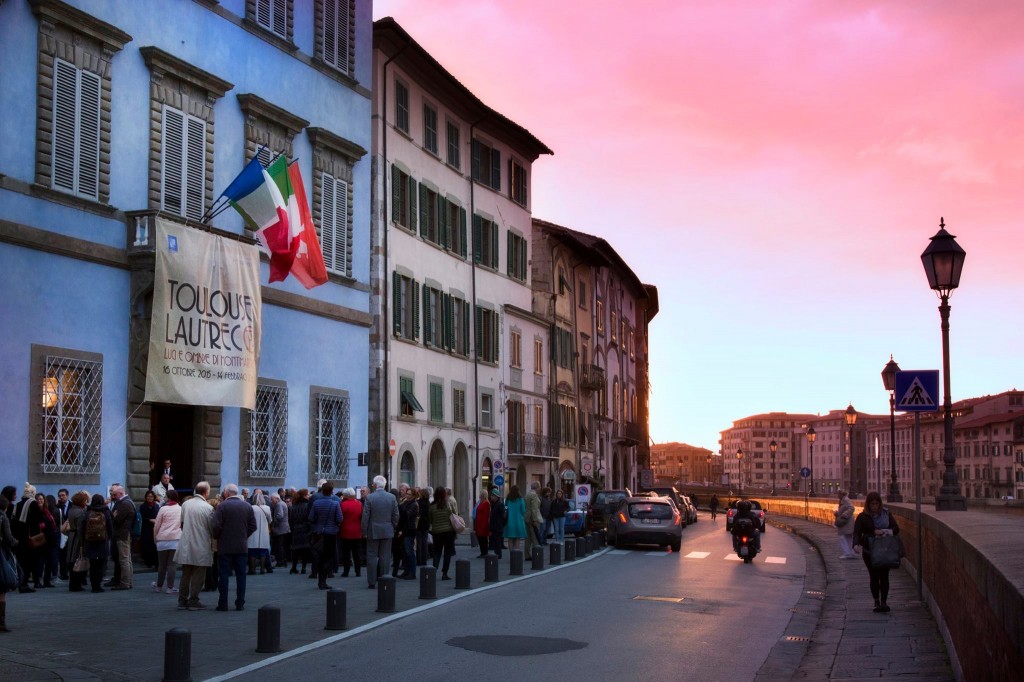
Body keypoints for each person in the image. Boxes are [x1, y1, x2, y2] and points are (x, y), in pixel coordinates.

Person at [853, 491, 901, 613]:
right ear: (868, 505)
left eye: (876, 504)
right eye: (872, 504)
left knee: (884, 576)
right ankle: (876, 601)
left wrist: (885, 531)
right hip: (870, 551)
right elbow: (857, 531)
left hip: (885, 549)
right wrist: (855, 544)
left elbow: (895, 529)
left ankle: (884, 602)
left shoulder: (886, 514)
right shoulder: (863, 517)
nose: (874, 506)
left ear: (880, 504)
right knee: (874, 576)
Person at [211, 483, 256, 611]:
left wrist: (218, 536)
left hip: (225, 546)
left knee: (224, 575)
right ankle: (240, 602)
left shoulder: (222, 506)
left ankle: (223, 603)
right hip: (241, 546)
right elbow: (253, 526)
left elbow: (215, 525)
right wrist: (244, 535)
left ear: (227, 493)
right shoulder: (247, 506)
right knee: (241, 575)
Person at [175, 481, 214, 611]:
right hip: (201, 543)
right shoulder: (208, 508)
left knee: (186, 573)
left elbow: (182, 522)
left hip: (186, 542)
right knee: (198, 574)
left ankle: (182, 599)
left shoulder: (185, 504)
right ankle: (193, 600)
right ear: (206, 492)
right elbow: (211, 528)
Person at [361, 475, 399, 589]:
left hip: (373, 530)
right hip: (387, 529)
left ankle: (372, 581)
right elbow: (396, 515)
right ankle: (385, 579)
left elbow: (365, 516)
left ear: (375, 485)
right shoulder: (392, 497)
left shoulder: (370, 498)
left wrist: (364, 530)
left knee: (372, 556)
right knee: (385, 556)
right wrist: (393, 526)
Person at [308, 482, 342, 590]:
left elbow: (311, 518)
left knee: (319, 554)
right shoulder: (335, 504)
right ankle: (323, 579)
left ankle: (319, 578)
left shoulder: (316, 503)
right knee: (328, 557)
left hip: (319, 532)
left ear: (322, 490)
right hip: (331, 533)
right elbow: (340, 518)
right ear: (332, 491)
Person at [81, 493, 113, 593]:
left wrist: (84, 539)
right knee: (101, 565)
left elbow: (82, 527)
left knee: (93, 564)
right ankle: (98, 585)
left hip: (90, 542)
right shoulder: (105, 511)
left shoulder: (88, 511)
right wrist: (109, 537)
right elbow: (110, 526)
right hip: (102, 542)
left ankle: (93, 584)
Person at [12, 483, 41, 592]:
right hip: (30, 538)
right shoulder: (33, 504)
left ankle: (22, 583)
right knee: (30, 562)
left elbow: (13, 521)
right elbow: (37, 521)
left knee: (22, 561)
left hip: (19, 538)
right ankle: (24, 584)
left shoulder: (17, 504)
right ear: (33, 493)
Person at [152, 490, 181, 594]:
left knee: (162, 565)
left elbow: (157, 525)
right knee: (172, 565)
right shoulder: (180, 509)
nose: (164, 498)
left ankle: (159, 586)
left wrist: (155, 537)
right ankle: (170, 587)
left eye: (165, 497)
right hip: (175, 539)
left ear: (169, 498)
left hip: (162, 539)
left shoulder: (163, 509)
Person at [109, 484, 136, 590]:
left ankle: (125, 582)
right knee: (127, 559)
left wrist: (113, 516)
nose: (113, 496)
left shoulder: (124, 504)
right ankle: (128, 581)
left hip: (122, 534)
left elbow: (116, 519)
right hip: (125, 533)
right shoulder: (127, 502)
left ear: (120, 493)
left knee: (124, 560)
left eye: (114, 494)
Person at [427, 487, 456, 579]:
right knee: (447, 552)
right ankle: (445, 573)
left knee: (437, 552)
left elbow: (430, 520)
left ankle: (434, 570)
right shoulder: (448, 505)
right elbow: (454, 515)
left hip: (436, 532)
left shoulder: (431, 506)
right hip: (448, 532)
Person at [64, 491, 89, 592]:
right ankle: (76, 585)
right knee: (77, 561)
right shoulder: (81, 512)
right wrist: (83, 543)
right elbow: (80, 528)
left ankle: (73, 584)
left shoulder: (71, 510)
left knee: (71, 560)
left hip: (71, 536)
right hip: (77, 538)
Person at [0, 496, 18, 632]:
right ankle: (1, 622)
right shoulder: (3, 519)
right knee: (1, 590)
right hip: (1, 555)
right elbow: (8, 538)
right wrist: (16, 543)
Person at [338, 488, 363, 577]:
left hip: (346, 531)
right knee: (356, 553)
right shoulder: (359, 504)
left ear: (346, 496)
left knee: (346, 553)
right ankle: (358, 571)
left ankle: (346, 571)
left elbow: (340, 518)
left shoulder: (343, 505)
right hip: (357, 531)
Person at [37, 493, 60, 587]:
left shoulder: (47, 511)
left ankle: (47, 580)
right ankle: (38, 580)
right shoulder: (35, 511)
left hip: (49, 539)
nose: (40, 501)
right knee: (40, 561)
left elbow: (51, 524)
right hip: (41, 539)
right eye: (38, 499)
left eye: (42, 499)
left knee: (49, 561)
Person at [247, 492, 273, 575]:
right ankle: (262, 568)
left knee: (252, 551)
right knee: (263, 551)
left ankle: (252, 569)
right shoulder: (267, 508)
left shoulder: (251, 508)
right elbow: (270, 520)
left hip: (253, 531)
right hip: (264, 531)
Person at [288, 488, 312, 574]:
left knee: (296, 549)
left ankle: (294, 567)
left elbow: (290, 520)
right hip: (305, 529)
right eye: (307, 494)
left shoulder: (293, 506)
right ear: (304, 496)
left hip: (296, 529)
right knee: (305, 549)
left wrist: (292, 528)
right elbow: (310, 518)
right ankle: (303, 568)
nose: (308, 496)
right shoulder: (307, 506)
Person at [397, 486, 419, 579]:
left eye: (409, 494)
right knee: (405, 552)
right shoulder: (405, 502)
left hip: (410, 529)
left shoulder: (414, 504)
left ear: (413, 496)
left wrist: (401, 508)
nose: (407, 495)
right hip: (404, 529)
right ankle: (406, 571)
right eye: (407, 493)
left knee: (409, 551)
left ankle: (412, 573)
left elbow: (407, 514)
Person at [140, 490, 160, 569]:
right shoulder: (143, 506)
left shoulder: (156, 506)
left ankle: (155, 562)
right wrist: (149, 520)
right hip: (146, 527)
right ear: (146, 497)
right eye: (148, 496)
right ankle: (148, 562)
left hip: (155, 527)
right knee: (147, 544)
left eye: (151, 496)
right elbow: (143, 516)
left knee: (154, 545)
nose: (150, 498)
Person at [834, 490, 857, 559]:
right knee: (848, 537)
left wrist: (844, 515)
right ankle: (851, 553)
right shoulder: (843, 500)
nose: (837, 496)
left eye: (838, 494)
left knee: (842, 537)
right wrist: (837, 513)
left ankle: (847, 553)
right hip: (847, 521)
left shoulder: (846, 500)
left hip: (846, 521)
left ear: (841, 494)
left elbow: (852, 508)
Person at [270, 494, 290, 568]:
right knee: (282, 546)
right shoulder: (283, 503)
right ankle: (283, 561)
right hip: (284, 528)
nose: (271, 501)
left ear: (277, 499)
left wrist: (273, 523)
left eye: (272, 499)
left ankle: (280, 561)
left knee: (279, 546)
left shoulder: (279, 505)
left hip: (280, 529)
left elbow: (279, 516)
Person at [504, 485, 527, 551]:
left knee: (510, 539)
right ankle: (516, 553)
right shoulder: (520, 499)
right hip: (518, 521)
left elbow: (505, 508)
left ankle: (511, 553)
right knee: (517, 538)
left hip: (510, 521)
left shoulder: (508, 499)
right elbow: (523, 510)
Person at [524, 482, 543, 555]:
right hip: (533, 518)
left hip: (527, 517)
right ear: (537, 487)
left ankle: (527, 554)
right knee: (535, 537)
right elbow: (534, 509)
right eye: (540, 487)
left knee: (528, 538)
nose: (540, 489)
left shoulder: (527, 494)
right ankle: (537, 554)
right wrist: (534, 520)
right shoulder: (534, 495)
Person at [488, 489, 506, 557]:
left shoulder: (500, 504)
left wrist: (501, 524)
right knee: (495, 541)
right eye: (491, 495)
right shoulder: (494, 504)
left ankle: (498, 554)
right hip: (494, 526)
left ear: (496, 496)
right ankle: (497, 553)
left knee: (498, 541)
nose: (491, 497)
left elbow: (503, 516)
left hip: (498, 526)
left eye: (493, 495)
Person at [415, 487, 430, 567]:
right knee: (424, 542)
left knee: (419, 542)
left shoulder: (418, 502)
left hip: (419, 524)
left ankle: (419, 560)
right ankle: (424, 560)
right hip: (426, 524)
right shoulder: (428, 503)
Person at [473, 491, 491, 557]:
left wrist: (484, 525)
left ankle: (484, 552)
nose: (479, 495)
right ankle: (482, 552)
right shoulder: (480, 502)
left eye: (480, 494)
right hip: (478, 523)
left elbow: (486, 515)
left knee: (483, 539)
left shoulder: (486, 503)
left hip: (483, 524)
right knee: (480, 538)